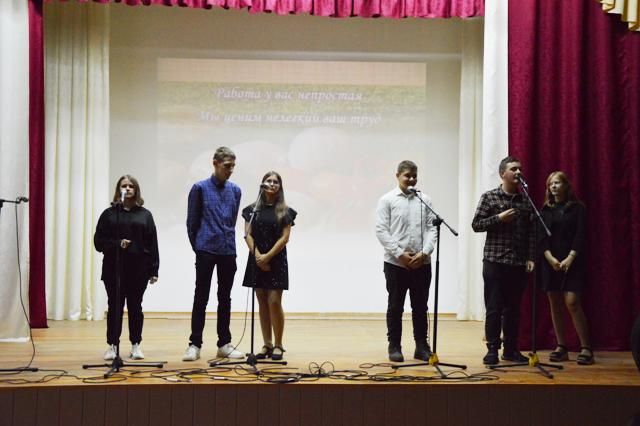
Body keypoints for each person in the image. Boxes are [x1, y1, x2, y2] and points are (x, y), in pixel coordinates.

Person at [472, 156, 535, 365]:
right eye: (513, 169)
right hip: (494, 261)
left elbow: (531, 232)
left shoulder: (525, 200)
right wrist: (499, 218)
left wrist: (531, 257)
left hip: (518, 263)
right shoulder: (490, 197)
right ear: (502, 174)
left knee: (513, 309)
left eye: (520, 169)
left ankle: (510, 349)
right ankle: (492, 349)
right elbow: (476, 224)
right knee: (494, 308)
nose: (518, 172)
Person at [183, 147, 244, 361]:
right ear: (215, 163)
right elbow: (192, 222)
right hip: (206, 250)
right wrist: (199, 246)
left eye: (233, 166)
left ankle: (224, 344)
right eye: (227, 166)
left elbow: (231, 220)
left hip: (227, 250)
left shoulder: (235, 190)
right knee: (201, 297)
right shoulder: (199, 188)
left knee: (224, 298)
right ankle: (194, 344)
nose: (230, 170)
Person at [375, 160, 436, 363]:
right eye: (407, 175)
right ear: (398, 175)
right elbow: (381, 230)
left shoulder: (424, 200)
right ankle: (394, 346)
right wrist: (400, 254)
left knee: (420, 307)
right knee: (395, 306)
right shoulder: (387, 200)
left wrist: (425, 253)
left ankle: (421, 346)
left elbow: (432, 228)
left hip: (422, 263)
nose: (411, 179)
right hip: (396, 263)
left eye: (414, 176)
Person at [94, 175, 159, 361]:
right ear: (118, 189)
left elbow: (152, 243)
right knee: (114, 307)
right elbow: (98, 242)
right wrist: (117, 244)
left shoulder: (145, 215)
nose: (128, 188)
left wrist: (154, 270)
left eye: (131, 186)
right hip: (113, 269)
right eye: (124, 186)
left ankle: (136, 344)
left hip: (139, 269)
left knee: (135, 308)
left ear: (136, 190)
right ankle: (112, 345)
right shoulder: (109, 214)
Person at [539, 171, 593, 365]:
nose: (553, 186)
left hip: (573, 261)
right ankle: (561, 346)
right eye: (550, 184)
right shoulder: (545, 210)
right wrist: (550, 258)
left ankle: (586, 348)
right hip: (551, 262)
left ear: (566, 186)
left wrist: (570, 258)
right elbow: (541, 238)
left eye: (557, 183)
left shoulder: (578, 209)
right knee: (555, 303)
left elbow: (581, 235)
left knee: (572, 302)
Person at [241, 171, 297, 361]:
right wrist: (258, 257)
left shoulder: (285, 211)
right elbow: (247, 234)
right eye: (268, 181)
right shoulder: (252, 210)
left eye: (275, 182)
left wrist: (267, 257)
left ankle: (279, 344)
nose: (272, 184)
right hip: (256, 258)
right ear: (262, 184)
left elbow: (285, 238)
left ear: (280, 187)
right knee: (262, 301)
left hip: (276, 259)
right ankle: (267, 344)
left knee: (274, 301)